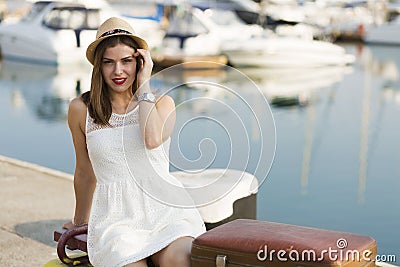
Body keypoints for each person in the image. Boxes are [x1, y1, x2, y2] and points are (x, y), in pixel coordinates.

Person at [63, 17, 206, 267]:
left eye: (127, 61)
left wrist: (144, 86)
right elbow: (85, 172)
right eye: (109, 62)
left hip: (167, 212)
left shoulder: (163, 104)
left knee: (180, 259)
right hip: (117, 221)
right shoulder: (81, 110)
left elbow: (151, 139)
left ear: (140, 62)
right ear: (98, 66)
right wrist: (79, 222)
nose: (118, 71)